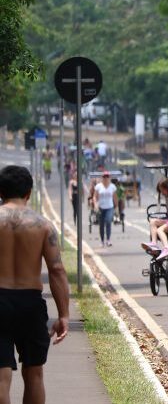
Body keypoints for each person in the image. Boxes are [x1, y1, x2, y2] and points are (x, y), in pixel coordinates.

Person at [0, 165, 70, 404]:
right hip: (30, 303)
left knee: (0, 378)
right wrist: (64, 315)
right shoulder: (43, 225)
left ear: (0, 192)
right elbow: (57, 270)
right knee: (35, 374)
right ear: (29, 192)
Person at [93, 172, 118, 248]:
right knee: (101, 225)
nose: (106, 178)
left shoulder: (112, 187)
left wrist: (116, 207)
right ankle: (102, 241)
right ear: (102, 178)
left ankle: (108, 240)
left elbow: (115, 197)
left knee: (108, 221)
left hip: (109, 207)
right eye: (104, 177)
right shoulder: (98, 186)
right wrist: (95, 204)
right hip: (101, 207)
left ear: (109, 178)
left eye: (107, 177)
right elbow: (95, 196)